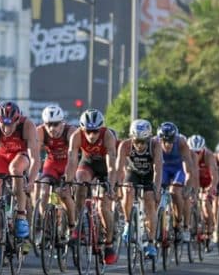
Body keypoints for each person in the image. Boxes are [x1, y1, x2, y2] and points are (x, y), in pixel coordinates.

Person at [0, 101, 40, 246]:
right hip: (3, 155)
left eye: (10, 124)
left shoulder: (27, 125)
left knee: (15, 169)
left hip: (21, 155)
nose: (6, 128)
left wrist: (31, 181)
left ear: (17, 121)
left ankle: (22, 215)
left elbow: (35, 159)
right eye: (3, 124)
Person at [64, 109, 117, 263]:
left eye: (95, 131)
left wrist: (111, 186)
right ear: (82, 129)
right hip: (88, 163)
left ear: (100, 129)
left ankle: (108, 243)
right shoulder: (76, 136)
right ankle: (80, 225)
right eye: (88, 131)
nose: (92, 135)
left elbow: (112, 165)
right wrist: (68, 182)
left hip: (105, 168)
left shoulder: (107, 136)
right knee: (80, 182)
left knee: (103, 207)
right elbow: (72, 161)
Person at [116, 119, 162, 259]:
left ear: (149, 138)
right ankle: (128, 224)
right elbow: (118, 169)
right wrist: (118, 187)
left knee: (149, 201)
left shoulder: (155, 145)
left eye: (143, 141)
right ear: (131, 138)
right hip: (133, 173)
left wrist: (157, 189)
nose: (140, 145)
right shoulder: (125, 145)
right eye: (136, 141)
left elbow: (158, 169)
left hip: (149, 175)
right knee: (127, 189)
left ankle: (151, 242)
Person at [34, 104, 77, 241]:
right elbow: (34, 154)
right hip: (51, 164)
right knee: (44, 191)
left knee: (65, 195)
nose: (52, 128)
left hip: (67, 164)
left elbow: (73, 156)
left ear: (62, 122)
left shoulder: (71, 132)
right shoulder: (40, 131)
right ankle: (46, 226)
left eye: (56, 124)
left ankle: (72, 225)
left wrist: (69, 178)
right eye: (48, 125)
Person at [157, 122, 198, 241]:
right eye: (165, 141)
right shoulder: (154, 142)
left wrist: (188, 188)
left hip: (178, 168)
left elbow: (189, 170)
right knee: (155, 192)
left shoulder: (181, 143)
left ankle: (178, 221)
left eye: (171, 141)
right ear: (160, 140)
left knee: (175, 192)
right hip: (163, 168)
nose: (168, 144)